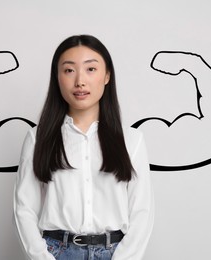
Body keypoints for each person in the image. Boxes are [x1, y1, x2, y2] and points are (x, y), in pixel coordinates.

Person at [13, 34, 154, 260]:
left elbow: (142, 213)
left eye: (90, 69)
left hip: (115, 253)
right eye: (69, 70)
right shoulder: (38, 138)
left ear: (107, 75)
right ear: (57, 77)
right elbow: (24, 210)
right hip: (56, 252)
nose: (80, 81)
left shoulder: (131, 139)